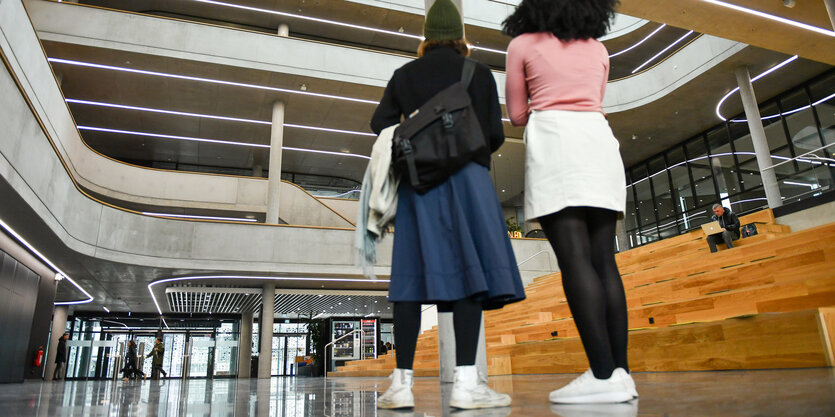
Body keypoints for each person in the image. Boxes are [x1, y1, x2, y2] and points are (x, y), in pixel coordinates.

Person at [370, 0, 525, 410]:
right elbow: (493, 134)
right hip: (468, 181)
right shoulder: (477, 73)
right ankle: (466, 385)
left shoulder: (404, 75)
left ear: (426, 36)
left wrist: (420, 130)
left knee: (408, 279)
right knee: (468, 274)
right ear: (460, 34)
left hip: (419, 185)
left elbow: (379, 124)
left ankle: (401, 385)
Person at [504, 0, 637, 404]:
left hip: (555, 144)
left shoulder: (523, 44)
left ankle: (600, 374)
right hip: (599, 141)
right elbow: (592, 100)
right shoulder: (598, 49)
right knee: (604, 260)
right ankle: (619, 374)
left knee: (575, 260)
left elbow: (517, 114)